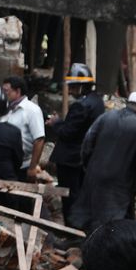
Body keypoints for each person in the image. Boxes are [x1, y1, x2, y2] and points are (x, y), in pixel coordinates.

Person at [77, 90, 136, 232]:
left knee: (95, 215)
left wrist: (88, 166)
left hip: (94, 175)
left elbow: (87, 143)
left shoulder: (106, 117)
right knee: (111, 222)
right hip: (120, 182)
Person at [47, 80, 106, 230]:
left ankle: (72, 230)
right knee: (79, 194)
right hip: (83, 158)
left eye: (73, 87)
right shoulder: (97, 101)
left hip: (70, 159)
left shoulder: (81, 105)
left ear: (81, 86)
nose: (71, 91)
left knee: (69, 196)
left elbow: (68, 132)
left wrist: (56, 123)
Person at [0, 76, 47, 180]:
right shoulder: (5, 108)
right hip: (4, 163)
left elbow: (39, 140)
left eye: (6, 91)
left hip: (23, 166)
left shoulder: (32, 110)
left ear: (17, 91)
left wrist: (32, 167)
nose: (3, 94)